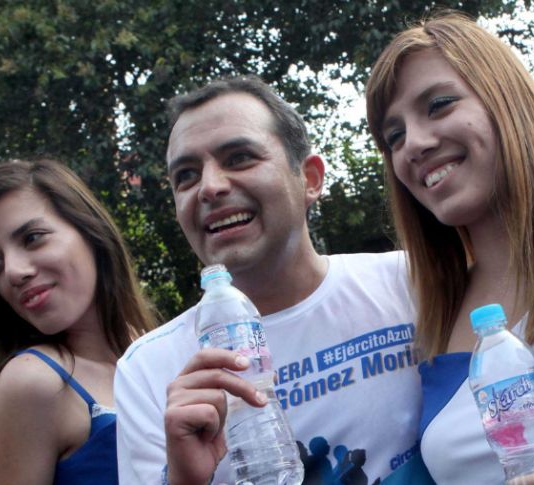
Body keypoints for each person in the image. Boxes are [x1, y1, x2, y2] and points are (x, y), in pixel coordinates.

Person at [114, 76, 432, 485]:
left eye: (239, 158)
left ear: (310, 179)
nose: (210, 187)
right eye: (187, 176)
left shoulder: (412, 285)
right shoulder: (147, 370)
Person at [365, 12, 534, 484]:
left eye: (439, 105)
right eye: (394, 136)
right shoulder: (427, 313)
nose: (413, 145)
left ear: (508, 100)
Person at [0, 159, 158, 485]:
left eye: (32, 238)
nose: (12, 272)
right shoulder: (33, 382)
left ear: (90, 232)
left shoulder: (156, 349)